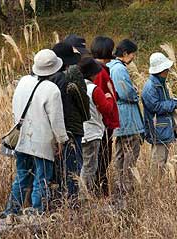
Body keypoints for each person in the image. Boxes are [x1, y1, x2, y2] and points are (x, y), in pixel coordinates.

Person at [4, 49, 68, 218]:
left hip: (22, 139)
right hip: (42, 141)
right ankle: (36, 212)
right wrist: (61, 141)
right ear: (54, 69)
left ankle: (11, 211)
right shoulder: (52, 89)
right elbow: (57, 120)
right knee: (42, 177)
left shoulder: (23, 81)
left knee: (22, 175)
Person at [106, 39, 144, 201]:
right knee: (129, 154)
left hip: (119, 118)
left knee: (121, 154)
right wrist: (136, 93)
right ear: (126, 53)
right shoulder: (119, 69)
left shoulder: (110, 67)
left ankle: (119, 186)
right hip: (127, 118)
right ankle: (127, 188)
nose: (134, 57)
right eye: (133, 53)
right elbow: (126, 92)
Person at [52, 42, 90, 200]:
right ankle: (72, 202)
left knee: (58, 168)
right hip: (72, 127)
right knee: (73, 167)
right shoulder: (73, 73)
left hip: (54, 128)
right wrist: (85, 116)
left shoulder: (46, 77)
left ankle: (59, 201)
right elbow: (83, 99)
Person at [78, 57, 114, 198]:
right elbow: (106, 109)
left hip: (79, 132)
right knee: (90, 167)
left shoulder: (76, 86)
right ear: (92, 74)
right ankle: (85, 196)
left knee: (80, 166)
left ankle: (79, 194)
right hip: (92, 133)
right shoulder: (94, 89)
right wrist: (109, 97)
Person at [141, 52, 177, 173]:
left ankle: (159, 185)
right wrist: (174, 103)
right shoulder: (151, 86)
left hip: (163, 127)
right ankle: (155, 187)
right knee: (158, 162)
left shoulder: (160, 83)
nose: (168, 71)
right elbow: (156, 106)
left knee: (162, 160)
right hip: (157, 128)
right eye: (166, 69)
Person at [90, 36, 120, 197]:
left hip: (99, 123)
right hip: (102, 124)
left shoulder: (95, 68)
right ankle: (100, 194)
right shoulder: (100, 72)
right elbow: (103, 97)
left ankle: (100, 192)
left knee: (100, 160)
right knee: (102, 160)